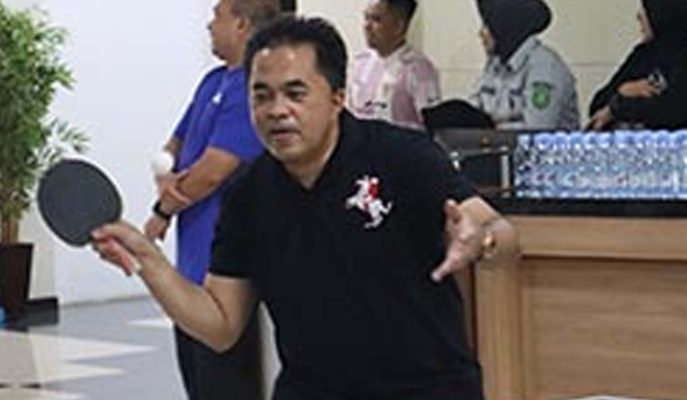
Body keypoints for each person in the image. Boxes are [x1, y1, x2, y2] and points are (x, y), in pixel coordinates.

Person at [94, 16, 518, 400]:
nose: (277, 110)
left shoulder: (401, 156)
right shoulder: (248, 194)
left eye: (295, 93)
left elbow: (500, 233)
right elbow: (221, 325)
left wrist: (482, 239)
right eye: (262, 96)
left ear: (337, 97)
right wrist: (148, 260)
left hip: (428, 389)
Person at [142, 0, 279, 398]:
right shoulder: (212, 82)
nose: (209, 25)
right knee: (197, 380)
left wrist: (162, 210)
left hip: (227, 271)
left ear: (241, 24)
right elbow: (176, 142)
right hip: (191, 267)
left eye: (217, 15)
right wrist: (165, 173)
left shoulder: (251, 89)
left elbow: (213, 171)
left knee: (225, 383)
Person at [469, 0, 580, 130]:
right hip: (496, 142)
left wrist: (491, 131)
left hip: (538, 144)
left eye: (487, 26)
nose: (481, 33)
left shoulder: (545, 67)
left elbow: (536, 130)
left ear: (504, 27)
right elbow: (473, 111)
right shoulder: (495, 65)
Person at [588, 0, 687, 131]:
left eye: (646, 10)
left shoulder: (681, 59)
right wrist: (623, 91)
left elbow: (671, 113)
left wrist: (615, 108)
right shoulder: (642, 55)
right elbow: (596, 106)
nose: (639, 16)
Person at [347, 0, 442, 131]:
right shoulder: (360, 63)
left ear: (398, 26)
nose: (367, 26)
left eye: (376, 20)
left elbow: (432, 126)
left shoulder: (419, 69)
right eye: (366, 18)